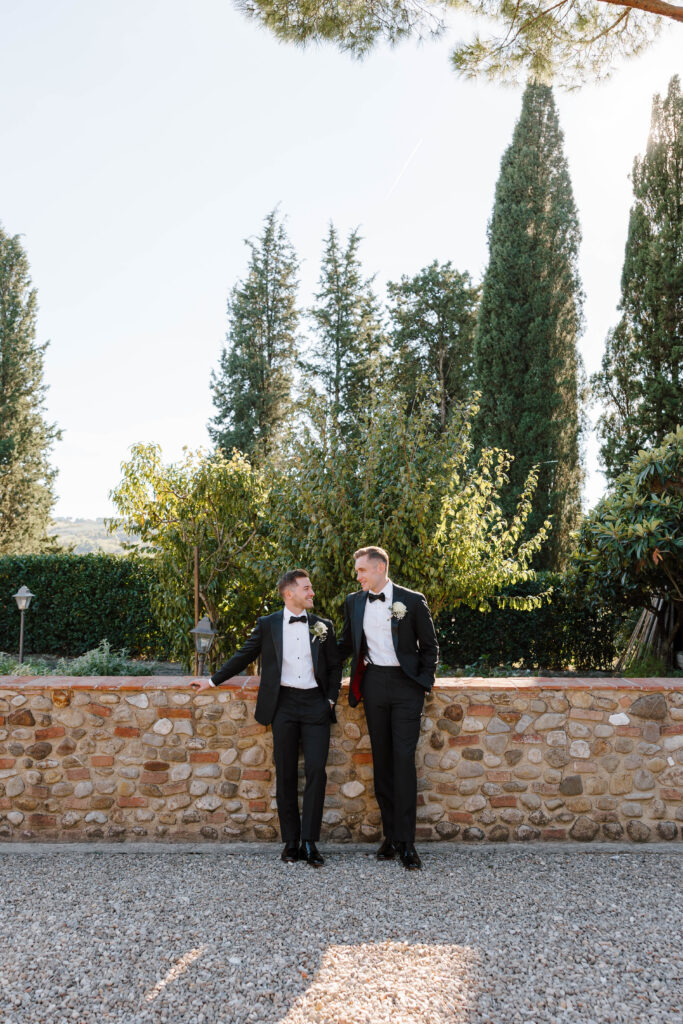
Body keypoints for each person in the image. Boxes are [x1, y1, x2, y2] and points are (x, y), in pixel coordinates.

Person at [191, 569, 342, 867]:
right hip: (282, 704)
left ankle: (310, 842)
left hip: (315, 705)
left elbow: (336, 666)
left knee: (316, 771)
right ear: (290, 593)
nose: (312, 593)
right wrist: (212, 681)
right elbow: (244, 655)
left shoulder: (323, 626)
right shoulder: (268, 624)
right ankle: (290, 842)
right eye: (307, 588)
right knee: (285, 773)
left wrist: (330, 698)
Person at [338, 546, 438, 870]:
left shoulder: (411, 600)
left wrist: (423, 683)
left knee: (403, 761)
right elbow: (344, 645)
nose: (358, 576)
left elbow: (430, 646)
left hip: (407, 686)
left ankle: (407, 843)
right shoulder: (354, 602)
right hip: (374, 685)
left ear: (380, 568)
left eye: (361, 570)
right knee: (381, 762)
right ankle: (391, 836)